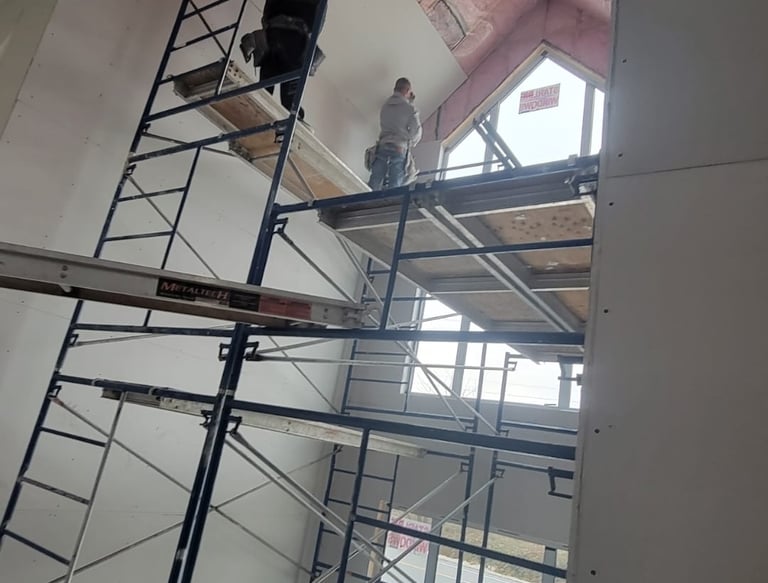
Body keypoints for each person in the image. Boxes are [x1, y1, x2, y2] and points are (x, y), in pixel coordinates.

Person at [240, 0, 326, 121]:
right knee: (287, 101)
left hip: (279, 32)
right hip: (292, 38)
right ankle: (294, 119)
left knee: (266, 92)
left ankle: (266, 113)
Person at [369, 78, 422, 190]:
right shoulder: (410, 109)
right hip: (399, 148)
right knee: (395, 185)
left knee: (375, 181)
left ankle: (366, 200)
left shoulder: (385, 106)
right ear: (407, 90)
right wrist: (410, 141)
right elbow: (416, 132)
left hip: (383, 145)